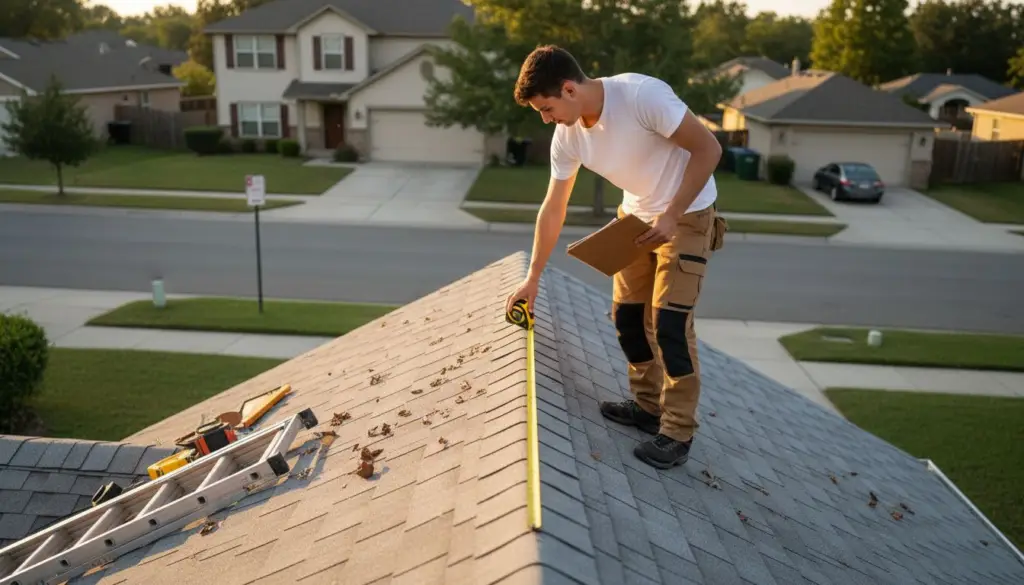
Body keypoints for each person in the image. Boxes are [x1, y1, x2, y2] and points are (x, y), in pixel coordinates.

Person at [504, 44, 727, 469]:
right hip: (637, 217)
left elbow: (709, 150)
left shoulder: (643, 97)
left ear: (569, 89)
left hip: (689, 213)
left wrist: (672, 214)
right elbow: (554, 206)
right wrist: (532, 277)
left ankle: (677, 433)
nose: (545, 118)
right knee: (627, 318)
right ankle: (647, 408)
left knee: (671, 325)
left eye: (546, 108)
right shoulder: (567, 136)